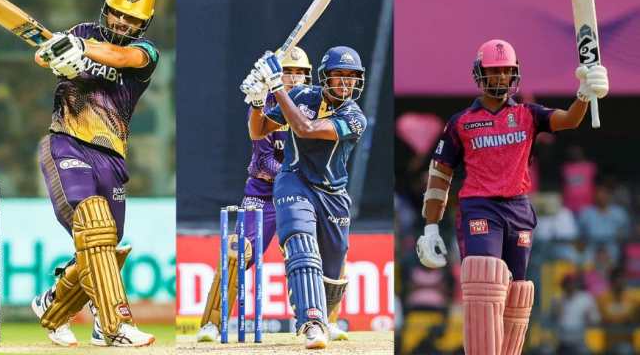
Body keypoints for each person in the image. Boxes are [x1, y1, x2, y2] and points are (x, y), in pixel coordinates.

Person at [415, 39, 609, 355]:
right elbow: (439, 176)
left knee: (517, 293)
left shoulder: (528, 114)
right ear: (480, 75)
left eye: (507, 71)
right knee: (483, 279)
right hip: (479, 207)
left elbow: (570, 119)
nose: (502, 78)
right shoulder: (461, 122)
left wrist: (584, 94)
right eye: (495, 71)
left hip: (518, 209)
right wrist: (431, 227)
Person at [28, 0, 159, 347]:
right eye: (118, 14)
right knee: (95, 226)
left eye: (132, 19)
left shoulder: (146, 52)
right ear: (106, 8)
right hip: (67, 143)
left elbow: (121, 57)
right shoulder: (84, 30)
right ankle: (116, 323)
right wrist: (59, 59)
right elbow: (41, 53)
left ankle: (52, 305)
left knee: (107, 248)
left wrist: (80, 49)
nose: (123, 23)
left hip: (112, 157)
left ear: (143, 24)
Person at [244, 46, 367, 349]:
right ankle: (311, 323)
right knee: (301, 244)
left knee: (333, 269)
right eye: (339, 75)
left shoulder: (354, 117)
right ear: (325, 77)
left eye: (352, 77)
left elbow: (306, 128)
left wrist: (275, 87)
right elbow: (258, 131)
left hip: (333, 194)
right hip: (294, 181)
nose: (346, 83)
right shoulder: (302, 96)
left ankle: (323, 312)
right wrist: (258, 101)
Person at [196, 47, 313, 342]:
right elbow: (263, 161)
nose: (295, 78)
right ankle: (211, 323)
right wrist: (293, 174)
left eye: (300, 73)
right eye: (288, 72)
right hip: (263, 192)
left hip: (302, 194)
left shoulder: (314, 105)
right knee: (238, 253)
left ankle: (325, 321)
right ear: (278, 75)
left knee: (319, 253)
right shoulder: (263, 105)